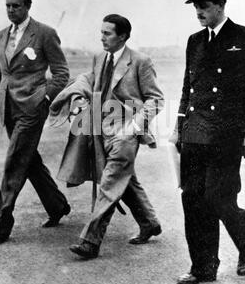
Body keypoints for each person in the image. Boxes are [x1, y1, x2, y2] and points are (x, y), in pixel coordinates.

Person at [170, 0, 245, 284]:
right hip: (196, 132)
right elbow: (189, 87)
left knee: (218, 197)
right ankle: (203, 267)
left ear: (221, 4)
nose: (198, 12)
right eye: (196, 6)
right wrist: (179, 128)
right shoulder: (194, 41)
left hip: (227, 132)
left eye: (204, 6)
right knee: (193, 199)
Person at [50, 14, 164, 259]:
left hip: (126, 133)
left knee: (111, 184)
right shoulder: (99, 58)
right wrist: (79, 100)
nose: (101, 37)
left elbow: (156, 100)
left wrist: (133, 128)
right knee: (125, 180)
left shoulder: (141, 61)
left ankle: (90, 241)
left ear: (122, 36)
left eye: (107, 33)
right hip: (101, 130)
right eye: (101, 32)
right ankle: (149, 223)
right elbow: (90, 82)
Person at [0, 0, 71, 247]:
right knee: (28, 160)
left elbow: (61, 73)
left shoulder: (44, 34)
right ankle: (57, 206)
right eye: (7, 6)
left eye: (16, 6)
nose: (10, 10)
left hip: (32, 109)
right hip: (8, 108)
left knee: (15, 162)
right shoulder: (2, 35)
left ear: (28, 6)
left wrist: (45, 98)